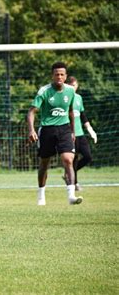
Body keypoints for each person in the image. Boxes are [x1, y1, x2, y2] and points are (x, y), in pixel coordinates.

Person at [27, 61, 83, 206]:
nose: (59, 77)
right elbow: (31, 112)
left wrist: (73, 131)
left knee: (68, 159)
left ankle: (71, 196)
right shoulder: (44, 91)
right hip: (47, 129)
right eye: (56, 74)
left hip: (64, 129)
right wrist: (31, 130)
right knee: (44, 163)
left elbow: (71, 111)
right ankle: (41, 196)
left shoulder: (70, 91)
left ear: (66, 76)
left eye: (62, 74)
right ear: (52, 76)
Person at [62, 76, 97, 191]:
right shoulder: (63, 98)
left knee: (87, 157)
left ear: (77, 86)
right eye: (71, 85)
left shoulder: (79, 98)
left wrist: (90, 130)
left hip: (80, 133)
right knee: (73, 159)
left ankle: (68, 174)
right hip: (69, 134)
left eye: (75, 85)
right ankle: (74, 183)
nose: (73, 88)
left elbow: (82, 115)